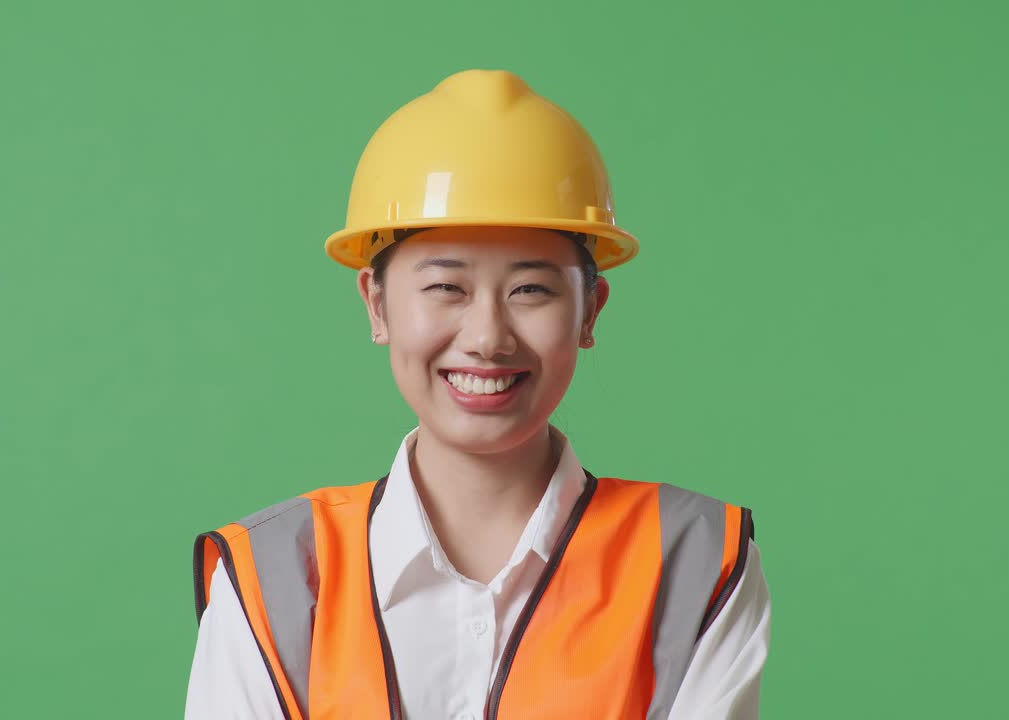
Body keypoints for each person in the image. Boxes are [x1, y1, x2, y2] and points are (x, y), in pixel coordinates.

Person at [184, 69, 771, 720]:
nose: (488, 338)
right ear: (376, 304)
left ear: (590, 311)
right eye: (446, 288)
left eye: (531, 290)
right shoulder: (272, 578)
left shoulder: (693, 559)